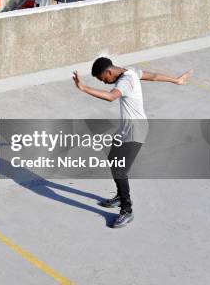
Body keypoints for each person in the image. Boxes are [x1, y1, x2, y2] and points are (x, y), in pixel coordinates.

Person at [72, 58, 193, 228]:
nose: (104, 82)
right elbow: (154, 76)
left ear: (109, 72)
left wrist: (84, 88)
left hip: (135, 131)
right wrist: (176, 80)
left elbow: (110, 97)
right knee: (113, 161)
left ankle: (127, 210)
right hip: (126, 129)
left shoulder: (125, 81)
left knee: (120, 169)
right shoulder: (131, 71)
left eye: (102, 79)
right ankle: (120, 197)